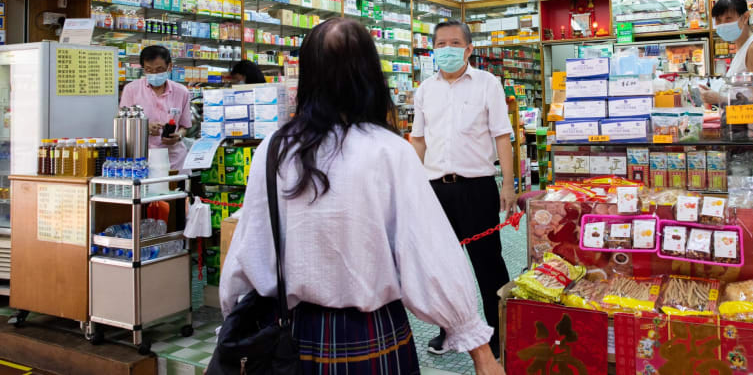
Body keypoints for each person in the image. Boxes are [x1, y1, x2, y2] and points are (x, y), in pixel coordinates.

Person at [220, 18, 503, 375]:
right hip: (374, 334)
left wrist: (234, 327)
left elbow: (247, 254)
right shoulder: (388, 151)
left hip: (288, 337)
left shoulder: (274, 149)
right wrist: (481, 352)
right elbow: (430, 258)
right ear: (370, 75)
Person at [410, 20, 516, 358]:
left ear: (469, 49)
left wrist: (509, 185)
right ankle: (449, 332)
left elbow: (503, 136)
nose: (447, 49)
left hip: (478, 188)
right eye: (440, 44)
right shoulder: (425, 89)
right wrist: (410, 185)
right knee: (441, 267)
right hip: (435, 190)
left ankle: (498, 337)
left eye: (454, 43)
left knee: (488, 264)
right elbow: (418, 140)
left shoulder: (488, 84)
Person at [700, 0, 753, 109]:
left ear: (745, 17)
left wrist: (720, 98)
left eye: (728, 18)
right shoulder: (742, 48)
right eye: (718, 20)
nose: (723, 25)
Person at [120, 45, 192, 172]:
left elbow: (184, 126)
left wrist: (178, 136)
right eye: (149, 69)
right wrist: (144, 127)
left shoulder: (181, 91)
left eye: (159, 69)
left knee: (177, 190)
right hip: (143, 160)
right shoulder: (131, 90)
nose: (154, 74)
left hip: (175, 161)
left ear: (169, 66)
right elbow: (124, 123)